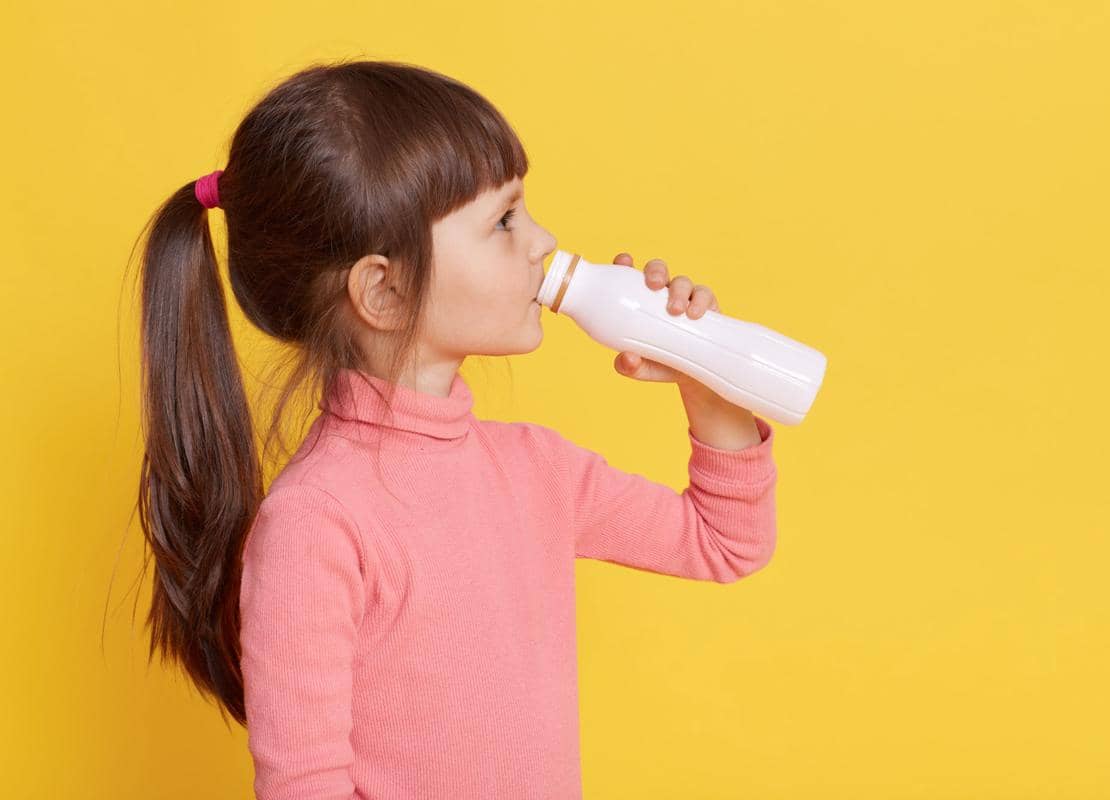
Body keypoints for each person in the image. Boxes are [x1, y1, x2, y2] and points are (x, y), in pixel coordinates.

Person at [132, 58, 778, 799]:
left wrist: (707, 378)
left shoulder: (536, 470)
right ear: (384, 288)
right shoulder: (317, 525)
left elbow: (726, 544)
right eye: (503, 221)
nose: (542, 242)